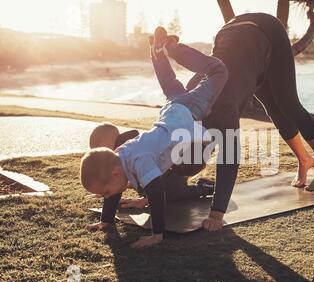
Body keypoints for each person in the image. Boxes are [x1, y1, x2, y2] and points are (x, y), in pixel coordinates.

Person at [80, 27, 228, 248]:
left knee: (219, 70)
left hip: (187, 111)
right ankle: (158, 50)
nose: (107, 197)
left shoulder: (139, 161)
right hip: (171, 110)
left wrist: (157, 234)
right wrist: (105, 221)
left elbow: (157, 194)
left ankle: (172, 48)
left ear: (115, 172)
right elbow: (113, 192)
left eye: (105, 192)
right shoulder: (120, 157)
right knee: (169, 82)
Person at [192, 13, 314, 232]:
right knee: (274, 109)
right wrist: (152, 194)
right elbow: (161, 143)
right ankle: (304, 160)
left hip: (267, 31)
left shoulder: (223, 109)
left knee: (288, 103)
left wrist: (216, 214)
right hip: (230, 35)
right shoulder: (181, 107)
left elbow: (229, 159)